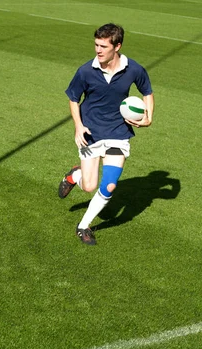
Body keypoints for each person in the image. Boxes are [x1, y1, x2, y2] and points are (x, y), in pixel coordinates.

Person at [58, 23, 154, 245]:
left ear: (117, 46)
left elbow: (147, 91)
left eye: (103, 46)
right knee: (89, 186)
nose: (98, 50)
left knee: (109, 185)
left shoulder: (134, 69)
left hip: (118, 132)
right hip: (90, 132)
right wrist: (78, 126)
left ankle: (83, 226)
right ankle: (75, 175)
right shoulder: (85, 71)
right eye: (96, 45)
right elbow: (73, 98)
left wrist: (149, 117)